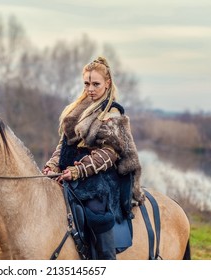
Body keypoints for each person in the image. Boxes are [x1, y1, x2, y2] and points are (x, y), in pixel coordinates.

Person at [42, 56, 145, 260]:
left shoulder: (113, 113)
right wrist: (52, 165)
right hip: (70, 172)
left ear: (107, 84)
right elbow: (64, 144)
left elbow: (109, 153)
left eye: (96, 84)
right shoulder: (77, 110)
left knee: (96, 212)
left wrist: (78, 170)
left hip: (102, 177)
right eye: (87, 83)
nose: (90, 89)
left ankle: (106, 262)